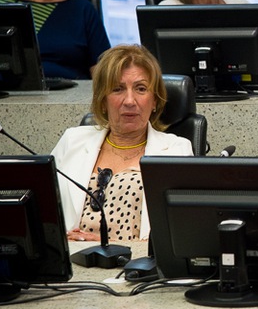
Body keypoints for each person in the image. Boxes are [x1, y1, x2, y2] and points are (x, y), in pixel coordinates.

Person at [51, 44, 193, 242]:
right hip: (75, 263)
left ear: (155, 101)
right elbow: (43, 212)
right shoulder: (72, 141)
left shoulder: (176, 151)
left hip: (133, 267)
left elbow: (180, 234)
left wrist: (109, 245)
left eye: (141, 89)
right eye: (117, 89)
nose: (129, 100)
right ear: (102, 100)